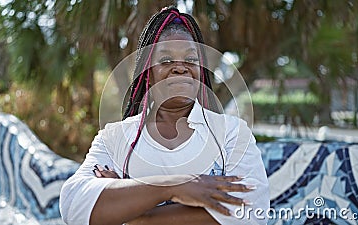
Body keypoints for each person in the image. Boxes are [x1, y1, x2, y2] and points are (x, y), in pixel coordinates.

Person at [60, 6, 269, 225]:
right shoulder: (115, 138)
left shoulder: (231, 133)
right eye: (166, 61)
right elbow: (74, 205)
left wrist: (135, 214)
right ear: (147, 72)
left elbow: (251, 213)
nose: (181, 68)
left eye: (191, 59)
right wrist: (173, 186)